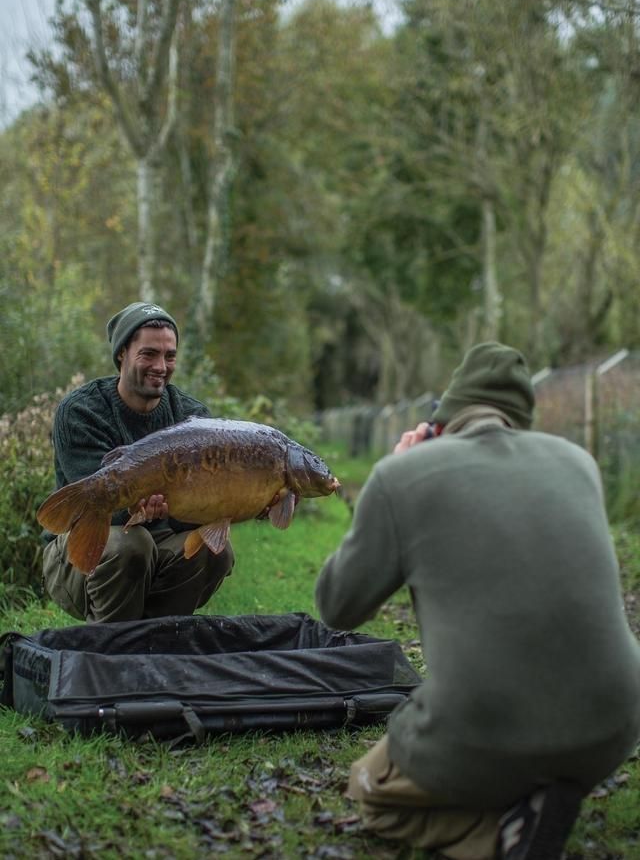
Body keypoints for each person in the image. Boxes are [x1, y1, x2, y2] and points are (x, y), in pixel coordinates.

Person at [315, 341, 640, 860]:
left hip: (484, 727)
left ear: (442, 420)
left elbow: (337, 606)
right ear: (522, 416)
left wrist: (392, 477)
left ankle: (508, 831)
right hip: (615, 728)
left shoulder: (403, 475)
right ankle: (539, 793)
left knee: (369, 790)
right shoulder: (579, 463)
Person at [42, 301, 234, 624]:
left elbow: (203, 508)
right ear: (122, 354)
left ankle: (154, 638)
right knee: (133, 546)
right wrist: (138, 507)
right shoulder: (80, 411)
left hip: (159, 542)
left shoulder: (193, 417)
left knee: (216, 552)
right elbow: (93, 507)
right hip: (82, 550)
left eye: (169, 356)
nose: (161, 366)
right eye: (149, 354)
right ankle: (109, 650)